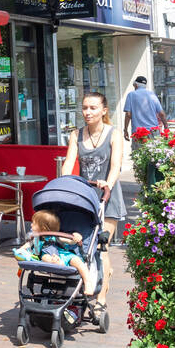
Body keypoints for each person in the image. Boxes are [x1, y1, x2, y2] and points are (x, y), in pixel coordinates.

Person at [60, 92, 125, 306]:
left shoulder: (114, 134)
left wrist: (108, 183)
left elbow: (115, 166)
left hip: (108, 197)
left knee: (100, 247)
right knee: (82, 244)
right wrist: (64, 183)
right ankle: (89, 283)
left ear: (104, 110)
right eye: (85, 108)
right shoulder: (76, 135)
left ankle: (101, 300)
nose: (88, 112)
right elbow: (69, 163)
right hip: (86, 197)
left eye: (93, 108)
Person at [13, 209, 97, 298]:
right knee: (45, 258)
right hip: (47, 254)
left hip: (63, 254)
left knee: (78, 261)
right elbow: (27, 245)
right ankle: (55, 262)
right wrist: (19, 251)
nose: (31, 225)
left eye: (33, 223)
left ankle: (88, 283)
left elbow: (69, 241)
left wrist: (76, 236)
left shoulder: (55, 236)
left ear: (44, 228)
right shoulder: (36, 238)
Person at [122, 76, 168, 141]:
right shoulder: (152, 95)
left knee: (139, 151)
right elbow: (161, 114)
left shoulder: (131, 95)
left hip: (138, 133)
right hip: (153, 131)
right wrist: (166, 128)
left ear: (135, 85)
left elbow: (128, 114)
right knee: (154, 150)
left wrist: (125, 130)